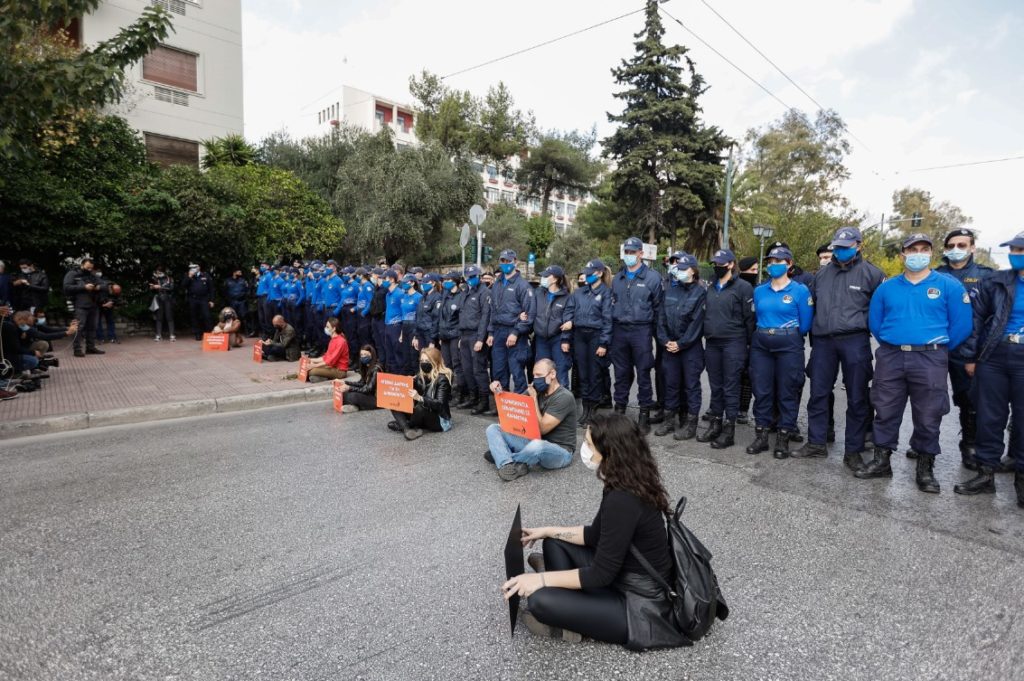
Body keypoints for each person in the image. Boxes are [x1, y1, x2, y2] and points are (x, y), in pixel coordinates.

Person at [502, 412, 679, 649]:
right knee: (553, 543)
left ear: (609, 452)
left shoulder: (623, 499)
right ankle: (568, 598)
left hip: (639, 602)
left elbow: (600, 574)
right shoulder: (625, 480)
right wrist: (547, 530)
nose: (584, 449)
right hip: (621, 574)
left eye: (588, 444)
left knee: (539, 601)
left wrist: (539, 580)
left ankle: (569, 622)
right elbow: (595, 536)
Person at [856, 233, 973, 493]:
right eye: (912, 249)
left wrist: (936, 347)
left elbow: (963, 325)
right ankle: (881, 460)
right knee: (884, 408)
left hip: (930, 357)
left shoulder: (949, 286)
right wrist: (896, 342)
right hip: (891, 356)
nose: (917, 254)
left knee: (929, 414)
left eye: (923, 249)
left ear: (931, 253)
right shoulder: (886, 288)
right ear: (903, 255)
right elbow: (875, 323)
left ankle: (925, 467)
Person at [794, 227, 885, 472]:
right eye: (838, 247)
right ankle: (816, 442)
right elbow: (811, 307)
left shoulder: (873, 274)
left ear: (859, 245)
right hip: (823, 341)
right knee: (818, 394)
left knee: (857, 397)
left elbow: (881, 311)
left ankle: (853, 451)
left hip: (855, 340)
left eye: (846, 246)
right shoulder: (821, 275)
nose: (841, 251)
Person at [954, 230, 1024, 505]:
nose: (1015, 255)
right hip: (994, 356)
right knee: (988, 417)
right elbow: (977, 320)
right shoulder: (995, 281)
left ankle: (1021, 479)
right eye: (1014, 251)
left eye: (1021, 251)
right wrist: (970, 357)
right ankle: (985, 474)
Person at [929, 227, 994, 469]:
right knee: (928, 397)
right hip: (935, 348)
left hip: (968, 352)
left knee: (969, 401)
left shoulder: (986, 277)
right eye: (951, 246)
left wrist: (978, 356)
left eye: (962, 245)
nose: (956, 250)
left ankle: (970, 445)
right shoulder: (935, 275)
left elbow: (991, 320)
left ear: (972, 247)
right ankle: (924, 443)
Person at [747, 246, 814, 459]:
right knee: (762, 390)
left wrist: (788, 335)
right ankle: (762, 436)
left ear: (789, 264)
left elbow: (805, 324)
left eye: (779, 261)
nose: (773, 265)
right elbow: (756, 316)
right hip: (761, 344)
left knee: (788, 391)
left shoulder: (800, 290)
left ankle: (783, 438)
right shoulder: (759, 290)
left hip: (789, 344)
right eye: (771, 261)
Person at [698, 249, 755, 449]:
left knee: (731, 388)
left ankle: (729, 430)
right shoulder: (711, 286)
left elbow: (750, 319)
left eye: (721, 263)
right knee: (716, 387)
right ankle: (715, 424)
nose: (717, 266)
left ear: (731, 264)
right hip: (713, 343)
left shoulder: (744, 287)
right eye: (715, 263)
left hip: (734, 342)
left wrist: (748, 346)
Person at [485, 358, 576, 481]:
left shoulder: (564, 397)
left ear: (552, 374)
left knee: (538, 446)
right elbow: (513, 407)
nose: (535, 379)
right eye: (534, 375)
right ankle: (506, 465)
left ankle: (503, 455)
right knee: (493, 428)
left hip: (559, 451)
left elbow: (543, 429)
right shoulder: (536, 390)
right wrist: (499, 391)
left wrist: (533, 400)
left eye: (539, 375)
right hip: (533, 440)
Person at [610, 237, 663, 433]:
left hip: (642, 330)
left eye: (633, 252)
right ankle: (619, 410)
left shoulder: (653, 278)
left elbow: (658, 308)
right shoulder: (618, 278)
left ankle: (644, 414)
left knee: (643, 373)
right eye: (627, 252)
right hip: (620, 330)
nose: (629, 256)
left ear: (641, 253)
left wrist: (657, 335)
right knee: (621, 373)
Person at [654, 253, 705, 440]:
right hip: (669, 346)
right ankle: (669, 420)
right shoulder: (670, 291)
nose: (680, 272)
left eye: (683, 269)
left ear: (693, 271)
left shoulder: (700, 293)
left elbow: (697, 323)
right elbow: (661, 318)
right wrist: (664, 340)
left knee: (691, 386)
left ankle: (691, 424)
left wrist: (681, 344)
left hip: (689, 348)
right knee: (671, 385)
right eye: (678, 269)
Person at [572, 259, 613, 428]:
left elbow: (608, 319)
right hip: (580, 335)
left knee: (595, 374)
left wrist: (604, 343)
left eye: (590, 273)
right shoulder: (581, 292)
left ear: (599, 273)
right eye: (586, 273)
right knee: (583, 373)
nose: (587, 276)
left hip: (596, 335)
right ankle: (586, 409)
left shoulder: (606, 292)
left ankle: (593, 410)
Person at [487, 250, 536, 393]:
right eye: (503, 261)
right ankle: (502, 406)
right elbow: (493, 310)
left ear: (515, 261)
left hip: (514, 332)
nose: (506, 264)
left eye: (509, 261)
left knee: (516, 369)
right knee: (499, 369)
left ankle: (520, 403)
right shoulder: (497, 284)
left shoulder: (523, 285)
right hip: (498, 331)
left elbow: (529, 314)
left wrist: (516, 332)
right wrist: (490, 332)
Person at [386, 346, 452, 440]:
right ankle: (407, 430)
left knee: (420, 407)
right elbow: (409, 394)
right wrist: (407, 383)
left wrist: (420, 398)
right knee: (394, 402)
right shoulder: (420, 376)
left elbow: (439, 404)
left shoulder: (442, 379)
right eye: (422, 360)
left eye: (427, 360)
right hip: (422, 414)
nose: (424, 363)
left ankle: (405, 425)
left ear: (435, 361)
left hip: (439, 419)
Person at [457, 265, 493, 415]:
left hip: (476, 335)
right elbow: (462, 314)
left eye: (473, 277)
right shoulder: (466, 291)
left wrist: (480, 339)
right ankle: (473, 397)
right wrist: (460, 337)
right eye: (468, 277)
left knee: (478, 369)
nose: (470, 279)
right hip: (465, 334)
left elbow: (485, 317)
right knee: (467, 369)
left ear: (479, 276)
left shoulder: (485, 293)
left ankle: (484, 401)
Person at [533, 265, 573, 389]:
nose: (543, 278)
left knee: (560, 371)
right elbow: (531, 310)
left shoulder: (567, 297)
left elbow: (568, 319)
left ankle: (563, 402)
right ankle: (541, 401)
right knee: (541, 370)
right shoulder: (538, 293)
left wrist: (565, 339)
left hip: (558, 339)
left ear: (555, 279)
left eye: (546, 276)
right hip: (541, 340)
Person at [62, 257, 105, 358]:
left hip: (93, 304)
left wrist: (99, 287)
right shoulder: (73, 274)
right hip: (79, 305)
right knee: (79, 327)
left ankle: (90, 347)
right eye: (88, 267)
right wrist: (84, 287)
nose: (89, 269)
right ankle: (77, 349)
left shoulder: (92, 275)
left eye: (91, 268)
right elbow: (66, 287)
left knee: (92, 327)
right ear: (82, 265)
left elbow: (104, 284)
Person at [437, 271, 464, 403]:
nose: (445, 282)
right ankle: (447, 393)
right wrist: (441, 334)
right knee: (446, 365)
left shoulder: (461, 296)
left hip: (455, 335)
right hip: (445, 335)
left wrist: (460, 337)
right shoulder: (445, 296)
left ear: (455, 281)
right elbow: (441, 317)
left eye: (448, 280)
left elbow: (461, 318)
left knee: (457, 364)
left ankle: (460, 394)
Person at [338, 345, 381, 413]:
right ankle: (356, 406)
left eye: (366, 354)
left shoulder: (376, 368)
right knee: (344, 394)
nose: (363, 357)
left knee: (352, 396)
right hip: (369, 394)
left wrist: (350, 388)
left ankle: (357, 406)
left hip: (376, 398)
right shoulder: (366, 366)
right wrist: (345, 382)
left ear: (372, 355)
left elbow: (368, 389)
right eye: (362, 355)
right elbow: (361, 383)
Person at [308, 316, 349, 382]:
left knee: (312, 371)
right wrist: (311, 360)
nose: (325, 328)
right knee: (309, 368)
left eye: (327, 327)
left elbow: (330, 360)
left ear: (334, 329)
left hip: (340, 371)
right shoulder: (333, 340)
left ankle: (323, 377)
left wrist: (314, 365)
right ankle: (321, 377)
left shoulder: (341, 341)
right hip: (332, 367)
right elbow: (326, 357)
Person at [182, 263, 214, 341]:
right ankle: (197, 334)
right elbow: (183, 285)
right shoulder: (188, 276)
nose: (193, 269)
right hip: (193, 299)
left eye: (195, 267)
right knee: (194, 317)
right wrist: (189, 276)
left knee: (207, 316)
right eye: (191, 268)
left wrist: (211, 300)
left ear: (199, 268)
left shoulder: (205, 275)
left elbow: (211, 289)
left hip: (204, 299)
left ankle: (209, 333)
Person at [399, 274, 423, 375]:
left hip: (414, 326)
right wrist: (401, 333)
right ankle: (406, 379)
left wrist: (416, 335)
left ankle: (416, 378)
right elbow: (403, 315)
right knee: (405, 355)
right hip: (405, 326)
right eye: (403, 282)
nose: (404, 284)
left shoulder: (419, 297)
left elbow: (420, 316)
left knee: (413, 355)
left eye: (406, 282)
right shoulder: (404, 296)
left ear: (412, 283)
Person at [382, 270, 404, 373]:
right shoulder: (388, 294)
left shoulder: (400, 293)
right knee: (389, 352)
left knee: (398, 352)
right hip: (388, 326)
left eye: (385, 279)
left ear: (391, 279)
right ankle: (391, 376)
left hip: (396, 326)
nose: (383, 281)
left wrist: (402, 331)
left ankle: (400, 376)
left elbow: (403, 312)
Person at [149, 265, 176, 341]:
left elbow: (171, 288)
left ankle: (172, 335)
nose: (157, 273)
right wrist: (152, 287)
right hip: (159, 299)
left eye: (159, 272)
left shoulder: (169, 279)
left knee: (169, 316)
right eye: (157, 272)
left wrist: (160, 287)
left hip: (168, 299)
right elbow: (152, 289)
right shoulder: (155, 279)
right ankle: (158, 335)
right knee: (159, 317)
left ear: (163, 272)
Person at [95, 268, 121, 343]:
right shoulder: (101, 287)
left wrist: (112, 302)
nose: (112, 293)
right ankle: (100, 338)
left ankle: (112, 337)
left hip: (109, 306)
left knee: (110, 321)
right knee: (98, 322)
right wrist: (103, 305)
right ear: (109, 288)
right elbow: (96, 297)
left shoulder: (115, 287)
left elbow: (118, 298)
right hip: (99, 305)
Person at [225, 267, 250, 334]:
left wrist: (244, 297)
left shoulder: (243, 281)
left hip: (242, 301)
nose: (240, 274)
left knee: (244, 316)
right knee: (231, 317)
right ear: (234, 273)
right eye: (239, 272)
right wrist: (229, 299)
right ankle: (232, 331)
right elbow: (225, 291)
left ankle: (246, 331)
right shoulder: (228, 281)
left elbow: (247, 290)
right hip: (232, 301)